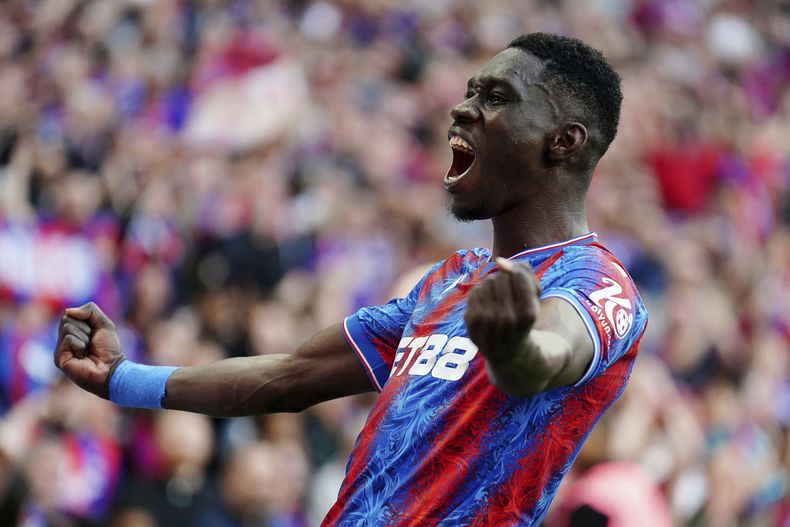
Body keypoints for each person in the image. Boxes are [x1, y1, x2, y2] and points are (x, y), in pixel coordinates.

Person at [54, 33, 648, 526]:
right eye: (469, 91)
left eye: (496, 97)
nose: (462, 108)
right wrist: (122, 380)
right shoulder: (449, 281)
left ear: (563, 141)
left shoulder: (597, 282)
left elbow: (548, 352)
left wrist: (511, 346)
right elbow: (291, 375)